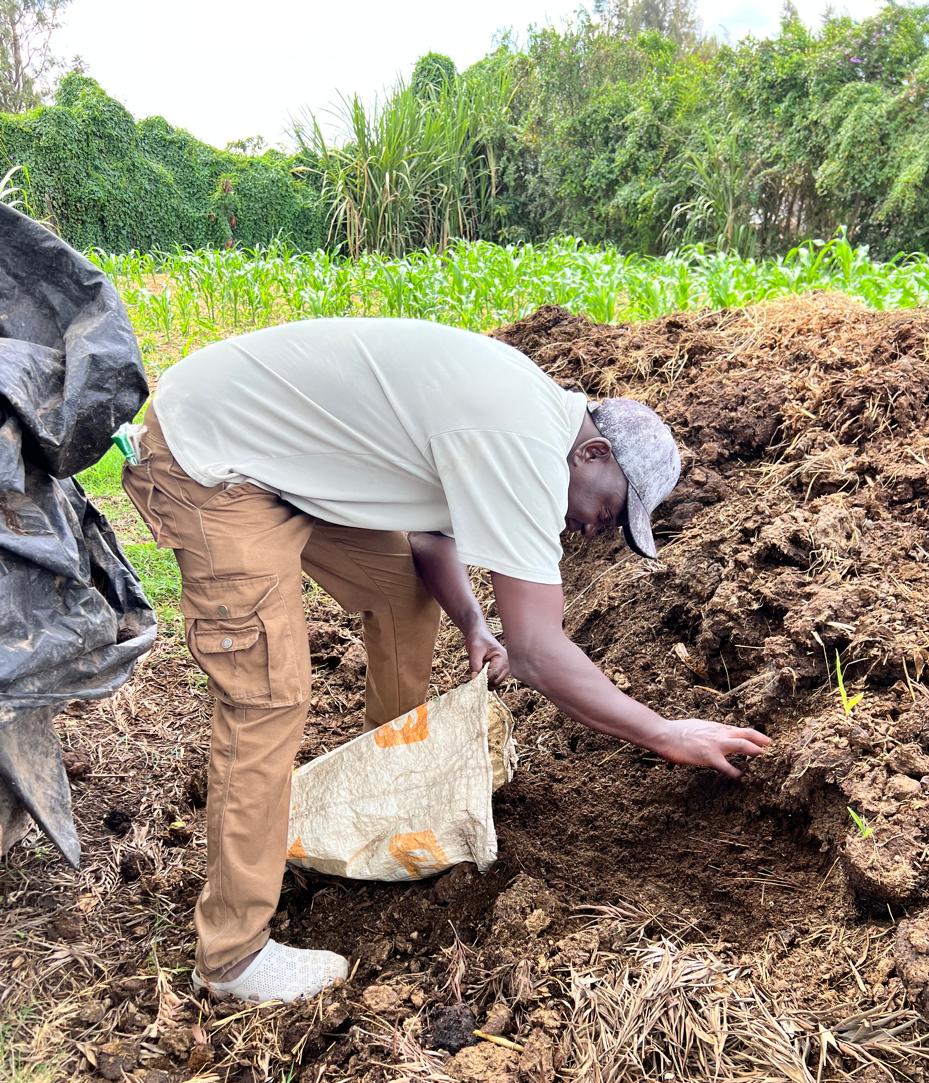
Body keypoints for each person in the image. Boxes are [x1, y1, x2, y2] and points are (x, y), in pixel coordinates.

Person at [122, 317, 770, 1004]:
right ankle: (231, 956)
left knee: (401, 594)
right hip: (213, 460)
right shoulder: (526, 445)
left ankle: (390, 790)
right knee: (268, 698)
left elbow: (431, 536)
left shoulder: (529, 422)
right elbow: (539, 650)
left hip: (282, 456)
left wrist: (474, 624)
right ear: (594, 453)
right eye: (611, 510)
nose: (596, 529)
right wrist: (666, 732)